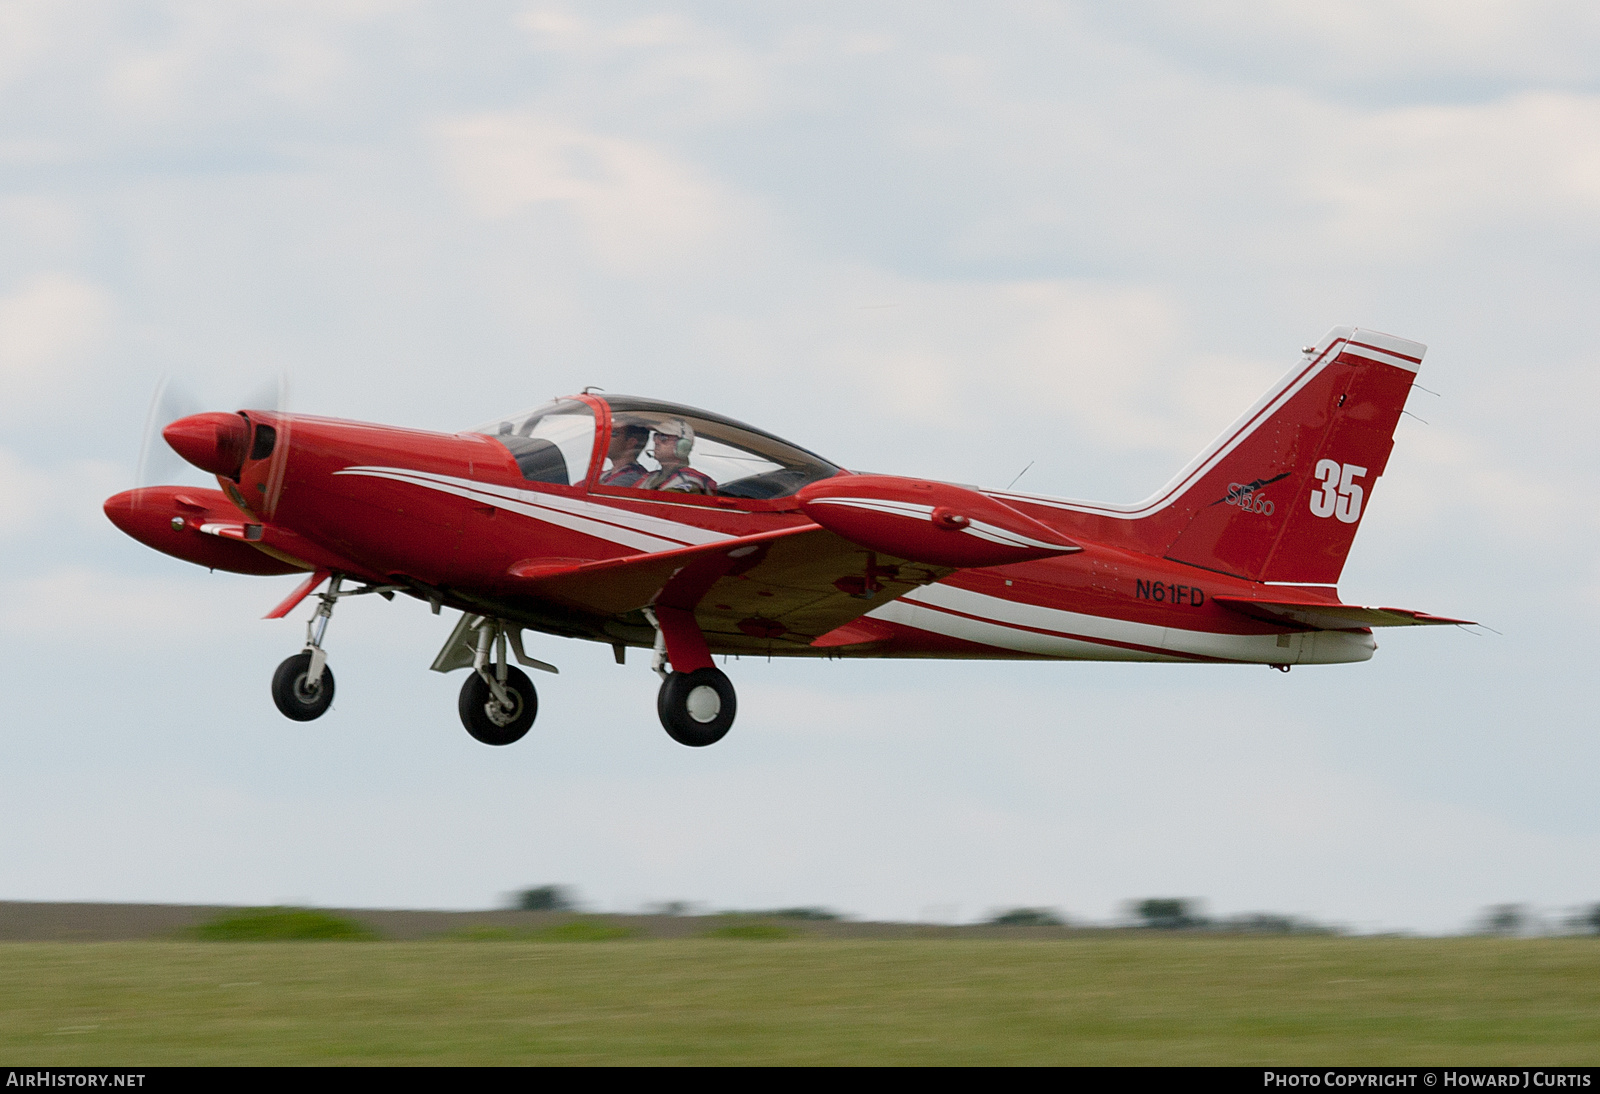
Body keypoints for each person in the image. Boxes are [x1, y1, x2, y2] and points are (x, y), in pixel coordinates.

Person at [638, 418, 716, 494]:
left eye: (663, 438)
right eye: (656, 436)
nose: (656, 441)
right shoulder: (652, 478)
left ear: (682, 446)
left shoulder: (690, 482)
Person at [598, 421, 650, 487]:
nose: (604, 436)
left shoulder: (633, 477)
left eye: (613, 433)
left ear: (631, 443)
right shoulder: (605, 475)